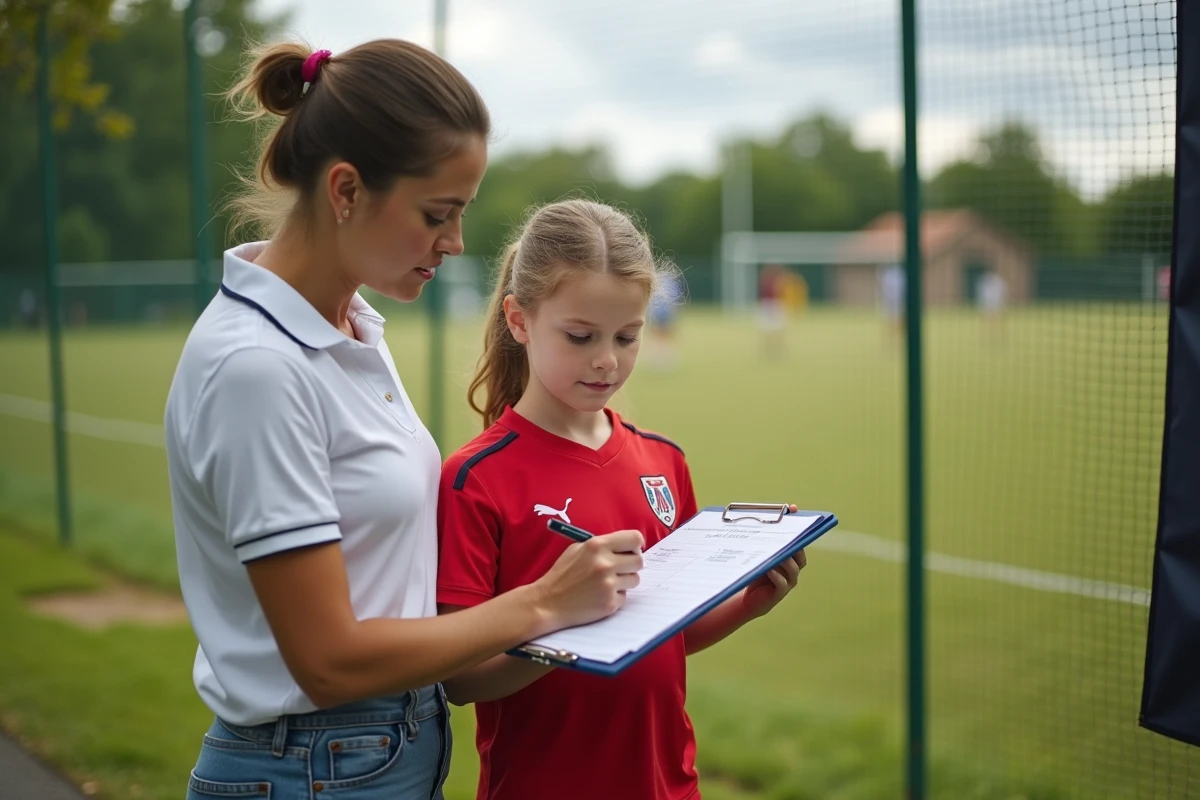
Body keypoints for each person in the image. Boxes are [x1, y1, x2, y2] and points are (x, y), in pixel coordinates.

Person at [163, 41, 644, 800]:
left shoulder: (347, 327)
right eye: (436, 214)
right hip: (314, 769)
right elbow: (329, 661)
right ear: (347, 190)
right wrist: (545, 601)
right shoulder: (258, 366)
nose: (454, 243)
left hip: (370, 754)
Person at [436, 199, 809, 800]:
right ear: (519, 319)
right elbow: (460, 678)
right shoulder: (475, 479)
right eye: (580, 336)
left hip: (669, 786)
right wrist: (562, 620)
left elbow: (664, 633)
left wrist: (746, 603)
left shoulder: (664, 462)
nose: (607, 359)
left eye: (628, 337)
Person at [647, 269, 684, 369]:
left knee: (658, 336)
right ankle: (664, 357)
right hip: (665, 314)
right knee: (664, 337)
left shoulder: (656, 284)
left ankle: (659, 357)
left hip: (659, 314)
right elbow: (676, 302)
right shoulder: (671, 284)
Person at [757, 262, 788, 357]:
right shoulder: (768, 282)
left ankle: (777, 349)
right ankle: (770, 349)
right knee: (769, 329)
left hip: (774, 305)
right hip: (769, 305)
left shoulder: (779, 281)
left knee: (777, 329)